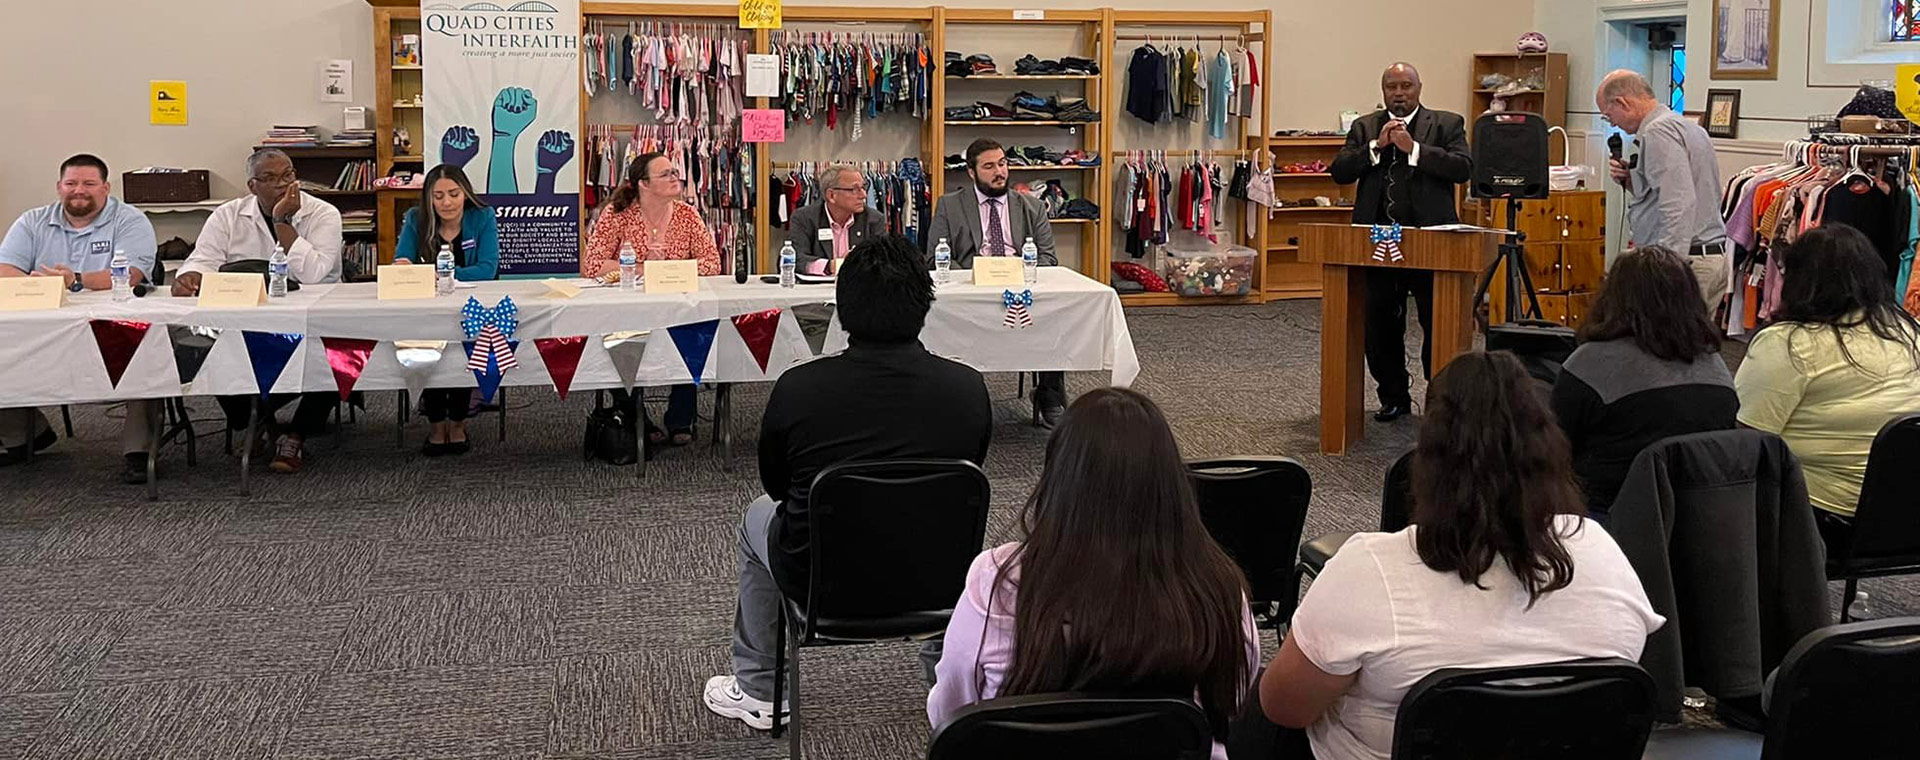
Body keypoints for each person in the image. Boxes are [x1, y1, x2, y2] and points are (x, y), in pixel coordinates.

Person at [1249, 351, 1663, 760]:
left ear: (1426, 459)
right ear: (1552, 448)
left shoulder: (1370, 569)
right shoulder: (1600, 551)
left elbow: (1284, 707)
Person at [704, 235, 992, 731]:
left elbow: (776, 487)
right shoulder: (968, 388)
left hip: (820, 582)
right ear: (926, 305)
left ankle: (761, 688)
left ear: (841, 307)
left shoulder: (799, 388)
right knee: (942, 515)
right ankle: (949, 687)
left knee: (755, 514)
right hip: (936, 575)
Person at [927, 388, 1257, 760]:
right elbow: (1232, 701)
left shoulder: (996, 580)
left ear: (1057, 480)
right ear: (1171, 484)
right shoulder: (1216, 585)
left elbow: (951, 715)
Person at [1734, 224, 1920, 542]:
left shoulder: (1789, 344)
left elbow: (1743, 444)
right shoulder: (1908, 332)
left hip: (1819, 520)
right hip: (1906, 515)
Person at [173, 148, 344, 474]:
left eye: (288, 175)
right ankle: (255, 422)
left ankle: (295, 434)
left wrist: (282, 222)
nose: (282, 184)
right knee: (205, 348)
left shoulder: (323, 213)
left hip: (312, 314)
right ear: (252, 186)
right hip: (246, 315)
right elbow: (202, 259)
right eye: (270, 178)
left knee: (335, 356)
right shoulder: (227, 215)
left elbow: (313, 274)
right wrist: (189, 276)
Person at [0, 153, 159, 481]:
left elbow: (131, 274)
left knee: (145, 345)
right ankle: (23, 434)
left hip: (114, 322)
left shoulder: (129, 220)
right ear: (59, 187)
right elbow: (5, 269)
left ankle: (138, 451)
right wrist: (36, 285)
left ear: (105, 187)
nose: (79, 190)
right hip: (44, 323)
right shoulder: (33, 221)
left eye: (89, 183)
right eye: (71, 183)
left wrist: (75, 280)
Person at [1330, 63, 1472, 422]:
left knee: (1434, 320)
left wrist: (1415, 150)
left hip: (1431, 244)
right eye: (1391, 86)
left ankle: (1441, 400)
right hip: (1376, 244)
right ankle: (1393, 396)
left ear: (1419, 88)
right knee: (1378, 325)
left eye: (1406, 86)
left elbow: (1462, 169)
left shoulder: (1446, 124)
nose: (1399, 93)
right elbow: (1340, 172)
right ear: (1382, 91)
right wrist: (1376, 147)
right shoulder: (1364, 127)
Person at [1552, 246, 1738, 516]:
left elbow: (1553, 450)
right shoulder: (1717, 370)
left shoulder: (1589, 364)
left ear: (1613, 296)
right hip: (1698, 523)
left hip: (1606, 521)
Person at [926, 138, 1067, 428]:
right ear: (971, 172)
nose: (999, 172)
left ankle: (1048, 393)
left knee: (1057, 310)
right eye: (989, 166)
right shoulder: (950, 205)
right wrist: (974, 279)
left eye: (1002, 164)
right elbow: (934, 257)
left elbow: (1048, 258)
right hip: (971, 289)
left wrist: (1017, 274)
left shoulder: (1031, 206)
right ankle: (950, 394)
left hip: (1020, 284)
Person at [582, 151, 721, 446]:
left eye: (674, 172)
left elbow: (712, 264)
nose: (675, 178)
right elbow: (592, 265)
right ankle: (636, 416)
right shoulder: (616, 215)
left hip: (677, 309)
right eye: (666, 174)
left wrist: (667, 269)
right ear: (643, 184)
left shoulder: (687, 214)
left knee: (693, 335)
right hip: (626, 310)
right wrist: (644, 268)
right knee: (617, 348)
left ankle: (681, 418)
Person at [1597, 69, 1730, 315]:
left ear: (1622, 102)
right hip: (1703, 257)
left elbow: (1678, 205)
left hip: (1685, 262)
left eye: (1608, 115)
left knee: (1668, 349)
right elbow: (1679, 192)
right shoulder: (1687, 127)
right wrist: (1631, 180)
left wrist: (1668, 272)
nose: (1612, 123)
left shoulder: (1658, 132)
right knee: (1693, 348)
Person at [392, 163, 499, 456]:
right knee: (430, 349)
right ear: (428, 198)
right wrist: (404, 266)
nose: (447, 202)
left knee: (462, 350)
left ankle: (458, 423)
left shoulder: (483, 216)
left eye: (453, 193)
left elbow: (487, 270)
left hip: (473, 309)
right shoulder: (416, 218)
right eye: (438, 196)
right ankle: (436, 425)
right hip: (426, 310)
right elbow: (402, 261)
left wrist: (439, 275)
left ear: (465, 193)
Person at [783, 163, 890, 276]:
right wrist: (830, 266)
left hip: (858, 290)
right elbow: (795, 258)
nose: (863, 195)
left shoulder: (874, 219)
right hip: (815, 291)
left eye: (863, 187)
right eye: (854, 189)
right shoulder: (804, 218)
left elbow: (884, 261)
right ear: (831, 195)